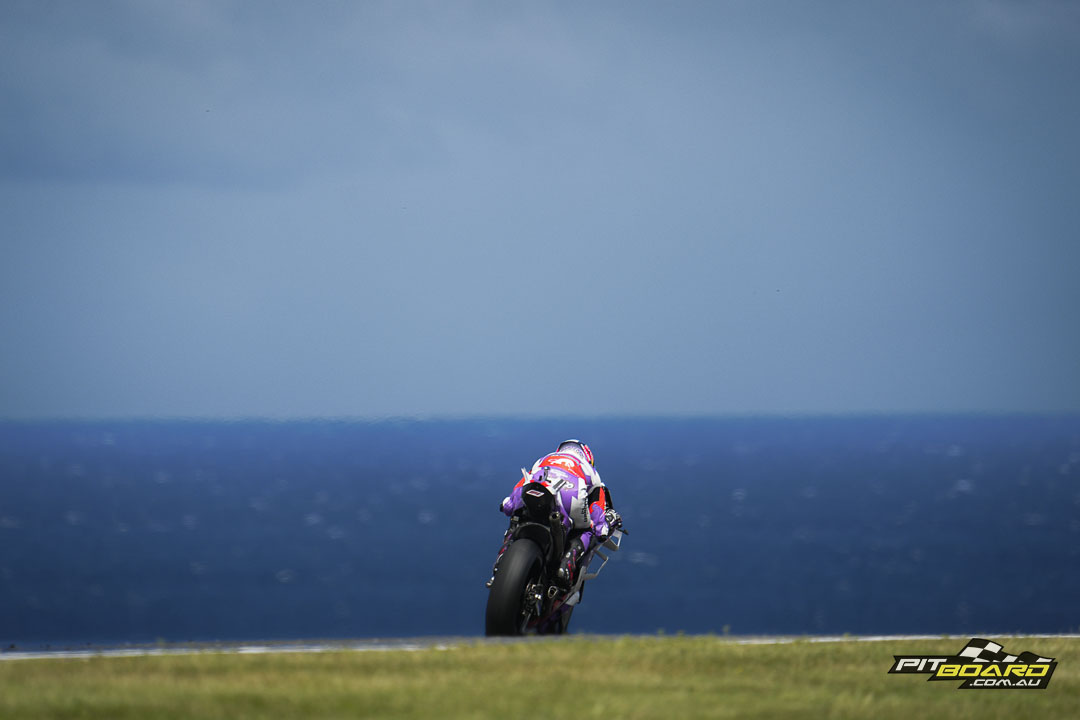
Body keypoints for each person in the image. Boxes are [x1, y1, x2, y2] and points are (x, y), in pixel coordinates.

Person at [498, 439, 620, 588]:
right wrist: (606, 525)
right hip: (571, 497)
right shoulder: (591, 471)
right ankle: (566, 564)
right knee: (589, 530)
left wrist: (509, 504)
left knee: (517, 514)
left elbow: (521, 485)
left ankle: (504, 552)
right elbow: (599, 518)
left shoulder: (545, 459)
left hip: (537, 488)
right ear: (588, 457)